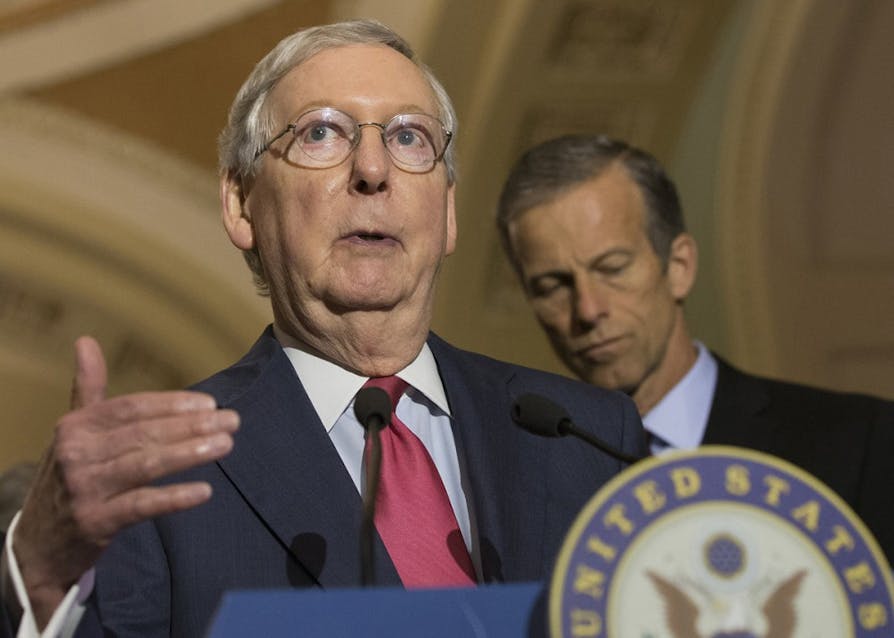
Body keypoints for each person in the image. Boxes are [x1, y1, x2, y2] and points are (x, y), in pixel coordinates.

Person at [0, 22, 645, 637]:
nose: (373, 169)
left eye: (410, 137)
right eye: (321, 134)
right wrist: (39, 573)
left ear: (447, 213)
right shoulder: (161, 476)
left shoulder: (587, 439)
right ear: (241, 203)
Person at [496, 133, 894, 562]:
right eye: (552, 286)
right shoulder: (520, 489)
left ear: (680, 267)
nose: (588, 310)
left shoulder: (864, 442)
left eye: (612, 268)